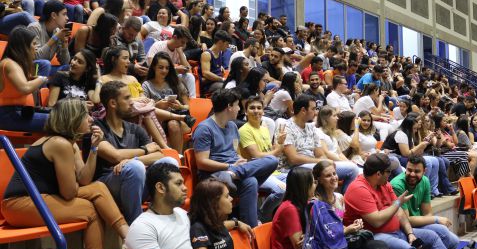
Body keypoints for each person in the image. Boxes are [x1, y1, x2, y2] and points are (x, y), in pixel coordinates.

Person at [2, 98, 128, 249]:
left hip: (40, 199)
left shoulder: (70, 143)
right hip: (19, 204)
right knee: (89, 209)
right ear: (72, 118)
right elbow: (68, 193)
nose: (91, 119)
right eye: (85, 115)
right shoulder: (59, 144)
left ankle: (127, 237)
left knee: (98, 187)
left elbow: (84, 179)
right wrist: (75, 184)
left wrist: (94, 148)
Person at [343, 153, 475, 249]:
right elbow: (377, 220)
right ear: (378, 173)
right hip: (371, 237)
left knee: (431, 237)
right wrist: (397, 203)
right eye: (388, 171)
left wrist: (410, 233)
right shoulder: (359, 189)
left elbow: (400, 212)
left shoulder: (384, 184)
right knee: (405, 248)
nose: (391, 174)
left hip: (396, 231)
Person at [94, 80, 179, 224]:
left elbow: (159, 154)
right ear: (113, 103)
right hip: (108, 186)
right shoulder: (97, 127)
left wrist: (134, 160)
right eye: (127, 98)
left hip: (135, 183)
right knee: (135, 168)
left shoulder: (135, 128)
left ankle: (165, 216)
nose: (132, 102)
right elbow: (115, 156)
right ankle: (135, 224)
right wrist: (144, 150)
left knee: (169, 162)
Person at [193, 89, 279, 227]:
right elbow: (202, 162)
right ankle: (234, 173)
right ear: (229, 107)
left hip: (233, 172)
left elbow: (234, 152)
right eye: (238, 105)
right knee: (251, 180)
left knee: (271, 162)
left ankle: (250, 228)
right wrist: (228, 166)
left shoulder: (232, 126)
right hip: (214, 175)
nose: (239, 109)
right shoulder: (204, 128)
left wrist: (240, 161)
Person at [281, 94, 358, 192]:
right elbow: (293, 159)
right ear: (303, 110)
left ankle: (341, 198)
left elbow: (320, 154)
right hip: (296, 168)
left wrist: (325, 163)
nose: (316, 112)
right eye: (313, 109)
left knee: (353, 169)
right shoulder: (286, 126)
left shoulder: (311, 127)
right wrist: (320, 162)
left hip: (313, 164)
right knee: (344, 169)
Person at [391, 156, 459, 249]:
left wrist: (433, 221)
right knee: (442, 232)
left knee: (454, 241)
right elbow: (406, 220)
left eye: (417, 171)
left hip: (417, 223)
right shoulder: (397, 185)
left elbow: (427, 213)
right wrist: (437, 219)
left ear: (424, 171)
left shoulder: (425, 181)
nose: (412, 174)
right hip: (404, 228)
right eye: (409, 170)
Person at [0, 26, 49, 131]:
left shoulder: (15, 63)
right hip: (8, 116)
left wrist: (32, 79)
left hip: (17, 112)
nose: (36, 47)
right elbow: (25, 88)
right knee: (62, 120)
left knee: (64, 116)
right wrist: (41, 79)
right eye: (34, 44)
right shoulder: (9, 64)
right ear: (23, 46)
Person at [142, 52, 192, 153]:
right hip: (156, 122)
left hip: (178, 120)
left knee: (173, 124)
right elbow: (144, 110)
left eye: (167, 68)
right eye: (161, 67)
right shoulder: (146, 85)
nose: (164, 71)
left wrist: (180, 107)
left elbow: (188, 107)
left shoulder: (175, 82)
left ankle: (177, 156)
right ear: (154, 67)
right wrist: (157, 105)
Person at [146, 26, 197, 98]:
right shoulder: (158, 45)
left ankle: (193, 100)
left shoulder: (178, 50)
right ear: (175, 37)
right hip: (156, 75)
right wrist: (174, 70)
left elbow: (188, 70)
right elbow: (151, 65)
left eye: (185, 43)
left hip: (170, 76)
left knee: (189, 76)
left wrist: (180, 53)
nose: (183, 45)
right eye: (182, 42)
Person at [28, 0, 70, 76]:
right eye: (64, 14)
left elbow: (65, 62)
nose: (67, 18)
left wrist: (64, 44)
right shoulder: (34, 28)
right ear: (53, 15)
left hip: (46, 68)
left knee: (68, 68)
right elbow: (36, 58)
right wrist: (55, 38)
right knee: (46, 64)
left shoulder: (57, 31)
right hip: (32, 69)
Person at [201, 30, 231, 95]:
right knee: (228, 88)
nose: (228, 46)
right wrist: (222, 79)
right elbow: (205, 73)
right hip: (209, 85)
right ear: (220, 42)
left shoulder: (220, 52)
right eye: (227, 44)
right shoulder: (206, 54)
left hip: (218, 81)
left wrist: (220, 67)